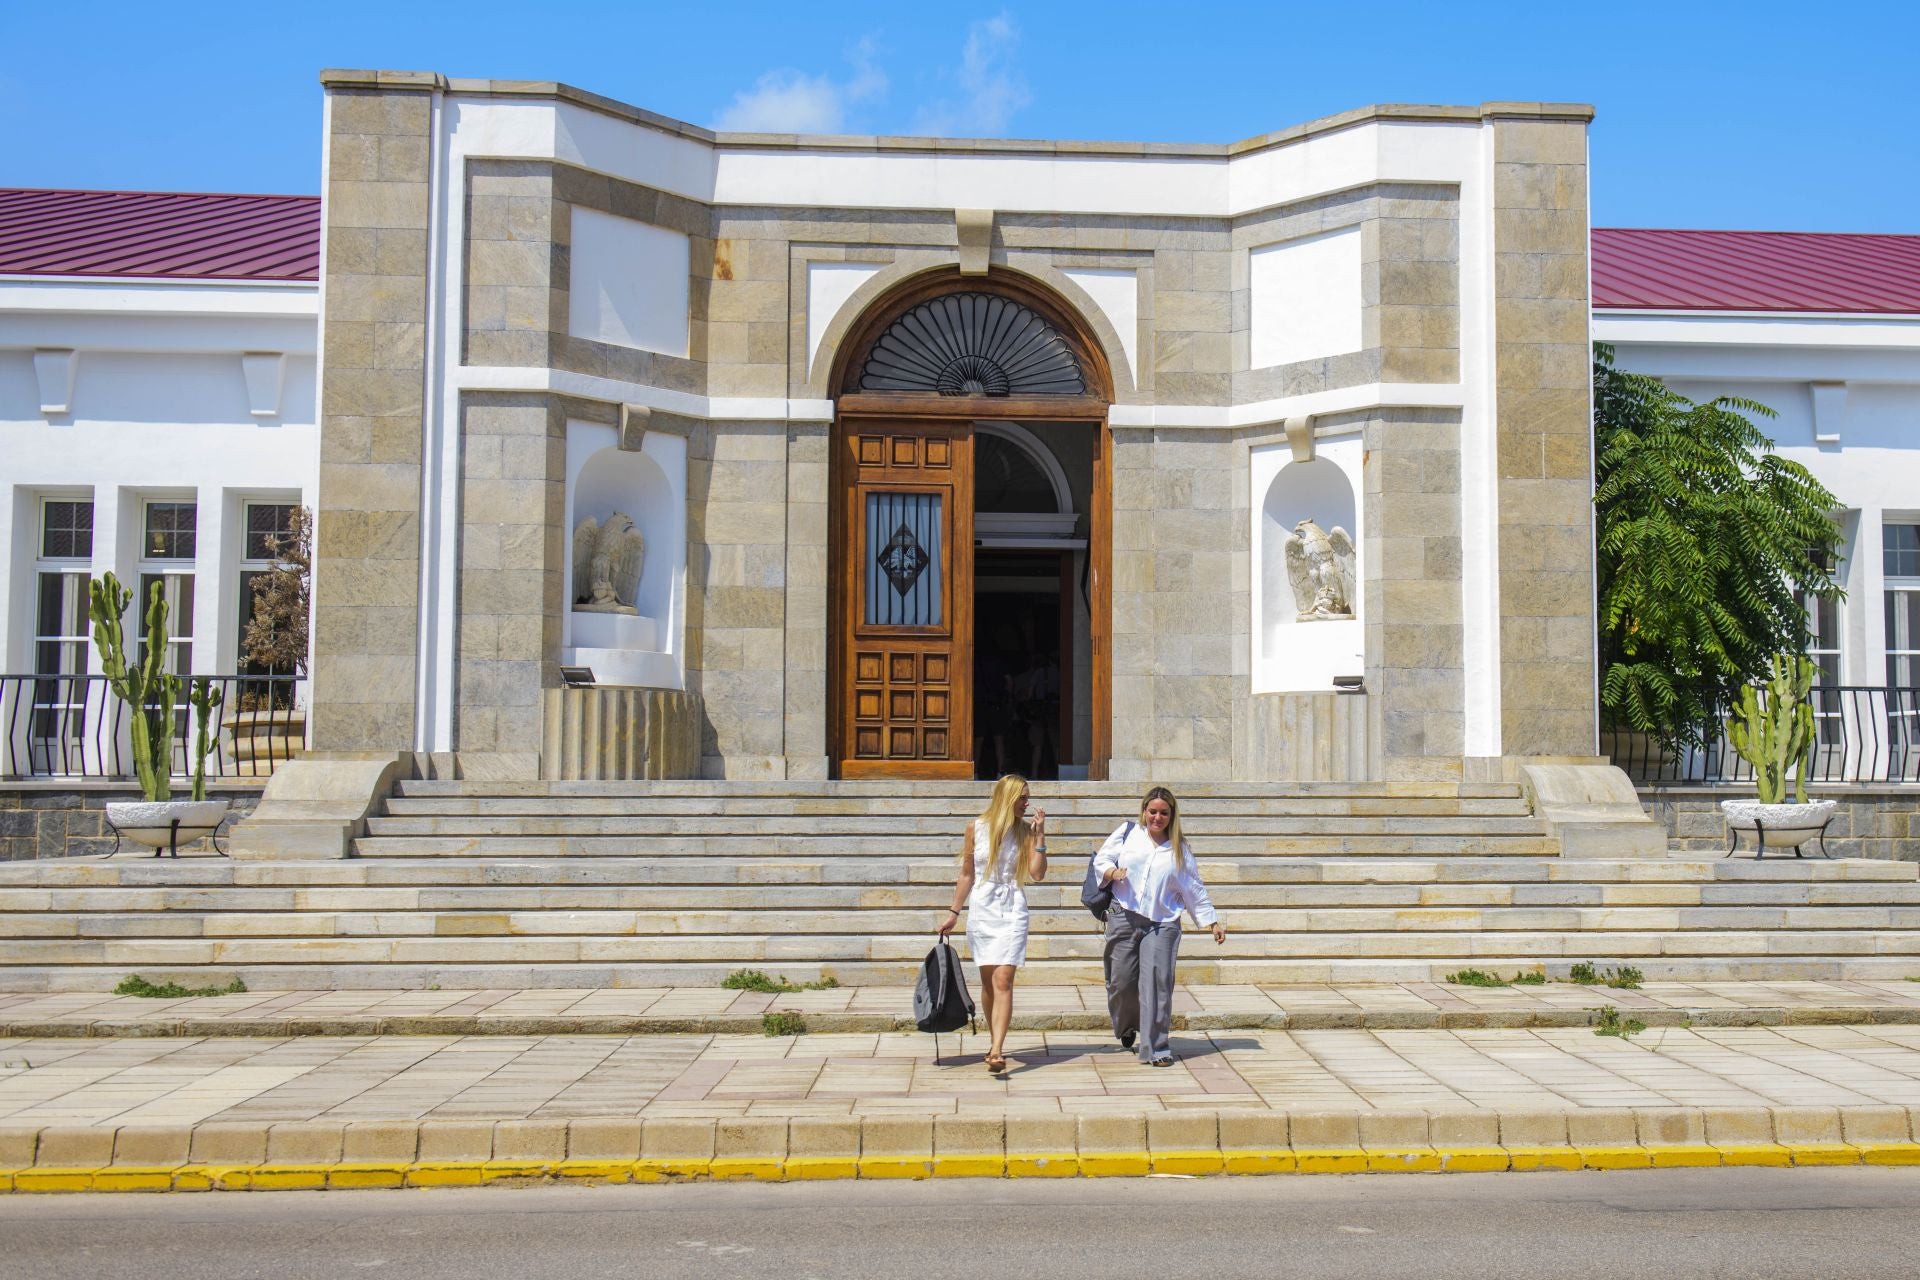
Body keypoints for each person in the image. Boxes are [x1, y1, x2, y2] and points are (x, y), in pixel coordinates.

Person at [1093, 786, 1225, 1066]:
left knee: (1157, 983)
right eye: (1152, 811)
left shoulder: (1179, 847)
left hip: (1163, 923)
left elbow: (1193, 887)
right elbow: (1102, 859)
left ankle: (1157, 1047)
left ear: (1171, 815)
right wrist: (1113, 872)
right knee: (1121, 982)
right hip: (1125, 915)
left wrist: (1211, 921)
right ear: (1144, 812)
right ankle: (1127, 1024)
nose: (1157, 817)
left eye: (1164, 813)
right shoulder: (1128, 833)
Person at [936, 773, 1047, 1074]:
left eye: (1027, 797)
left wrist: (1039, 838)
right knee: (987, 982)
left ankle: (997, 1049)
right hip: (983, 906)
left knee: (1003, 979)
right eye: (1022, 797)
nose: (1027, 803)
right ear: (1007, 798)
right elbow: (967, 874)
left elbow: (1037, 874)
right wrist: (953, 912)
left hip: (1012, 906)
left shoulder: (1025, 831)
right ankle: (993, 1038)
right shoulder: (976, 828)